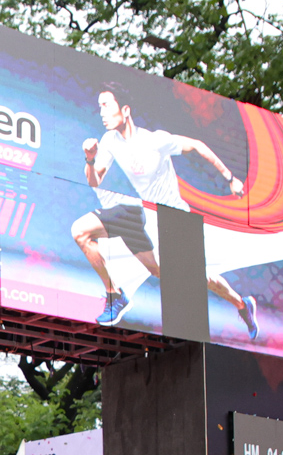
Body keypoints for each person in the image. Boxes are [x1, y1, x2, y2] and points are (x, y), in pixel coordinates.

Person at [71, 81, 259, 339]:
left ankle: (242, 304)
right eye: (99, 106)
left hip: (176, 220)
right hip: (146, 217)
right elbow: (95, 180)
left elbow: (197, 145)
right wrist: (90, 159)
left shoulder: (155, 140)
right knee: (81, 232)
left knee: (198, 278)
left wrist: (230, 178)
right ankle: (115, 295)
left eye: (106, 105)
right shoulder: (110, 140)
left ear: (125, 110)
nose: (101, 112)